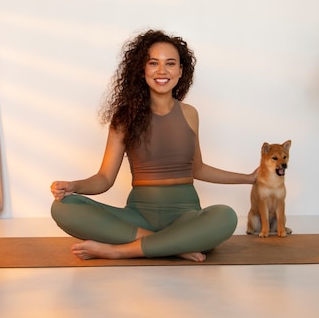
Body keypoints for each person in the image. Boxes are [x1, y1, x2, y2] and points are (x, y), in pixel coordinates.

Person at [50, 29, 257, 262]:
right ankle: (174, 244)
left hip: (184, 217)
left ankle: (120, 250)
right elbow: (104, 179)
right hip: (138, 216)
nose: (162, 71)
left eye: (170, 63)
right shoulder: (123, 118)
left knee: (226, 216)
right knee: (62, 207)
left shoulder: (190, 114)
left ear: (181, 71)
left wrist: (249, 178)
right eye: (153, 63)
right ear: (142, 69)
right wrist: (73, 186)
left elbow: (197, 169)